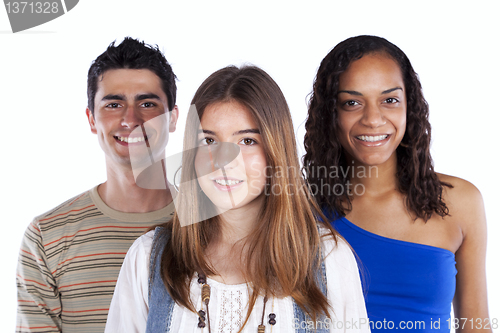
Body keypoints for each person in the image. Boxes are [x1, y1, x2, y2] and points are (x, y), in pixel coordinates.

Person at [105, 65, 370, 332]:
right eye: (209, 141)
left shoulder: (329, 259)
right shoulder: (148, 257)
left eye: (247, 141)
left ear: (276, 151)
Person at [303, 35, 491, 332]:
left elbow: (476, 325)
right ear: (331, 114)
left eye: (389, 100)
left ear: (409, 105)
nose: (373, 119)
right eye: (352, 102)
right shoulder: (303, 208)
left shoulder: (461, 203)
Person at [16, 37, 179, 333]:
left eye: (147, 103)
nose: (131, 119)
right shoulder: (46, 237)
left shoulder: (214, 224)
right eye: (114, 104)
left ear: (173, 118)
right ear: (91, 119)